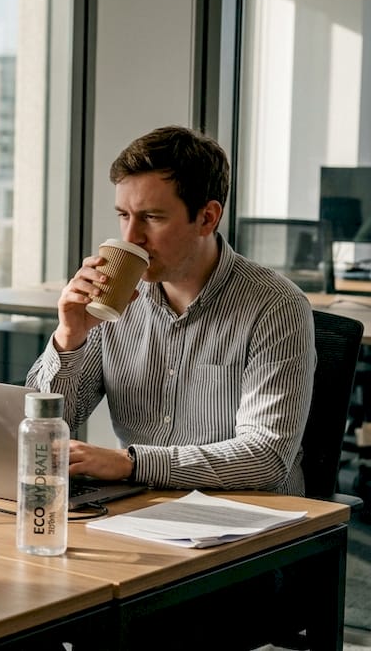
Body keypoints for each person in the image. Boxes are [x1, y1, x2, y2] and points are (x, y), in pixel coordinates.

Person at [26, 125, 316, 495]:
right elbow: (42, 430)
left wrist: (131, 463)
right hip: (140, 504)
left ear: (207, 218)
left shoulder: (274, 306)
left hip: (245, 517)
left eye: (152, 217)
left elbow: (266, 459)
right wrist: (70, 337)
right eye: (123, 215)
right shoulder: (114, 301)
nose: (131, 238)